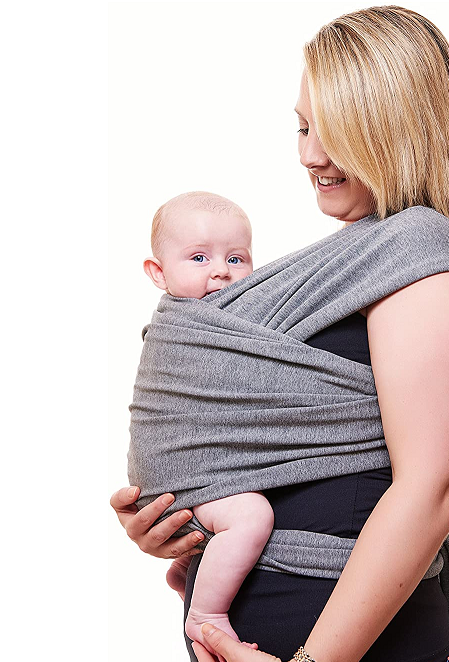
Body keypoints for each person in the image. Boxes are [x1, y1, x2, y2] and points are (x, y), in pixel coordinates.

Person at [111, 7, 449, 662]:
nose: (310, 154)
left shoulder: (426, 263)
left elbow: (433, 488)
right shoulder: (356, 260)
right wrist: (179, 511)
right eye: (302, 126)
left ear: (394, 127)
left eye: (336, 130)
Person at [141, 190, 269, 654]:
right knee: (253, 516)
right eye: (198, 257)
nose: (221, 271)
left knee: (242, 519)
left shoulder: (246, 318)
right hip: (177, 472)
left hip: (196, 471)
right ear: (158, 273)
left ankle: (193, 575)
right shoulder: (181, 328)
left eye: (237, 258)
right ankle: (205, 614)